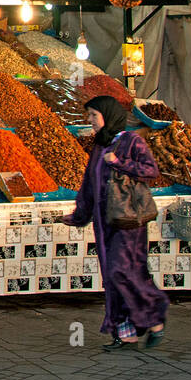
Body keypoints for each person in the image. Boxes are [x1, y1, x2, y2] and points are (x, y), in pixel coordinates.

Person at [62, 95, 168, 351]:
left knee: (122, 271)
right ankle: (126, 331)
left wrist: (121, 163)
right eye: (89, 116)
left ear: (107, 116)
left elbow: (150, 170)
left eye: (93, 116)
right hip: (104, 220)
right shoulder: (100, 145)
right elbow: (90, 183)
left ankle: (154, 317)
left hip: (128, 221)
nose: (90, 121)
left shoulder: (131, 140)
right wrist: (79, 215)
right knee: (111, 275)